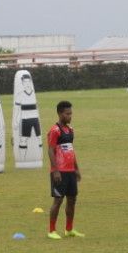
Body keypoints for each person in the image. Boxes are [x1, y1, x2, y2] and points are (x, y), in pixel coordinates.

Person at [47, 101, 84, 239]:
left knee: (72, 199)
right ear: (60, 113)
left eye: (71, 113)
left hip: (70, 172)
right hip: (60, 172)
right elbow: (50, 150)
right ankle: (52, 231)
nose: (70, 116)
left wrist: (77, 169)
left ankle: (69, 229)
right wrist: (55, 170)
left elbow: (71, 151)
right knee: (58, 200)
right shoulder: (55, 130)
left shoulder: (70, 130)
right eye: (67, 114)